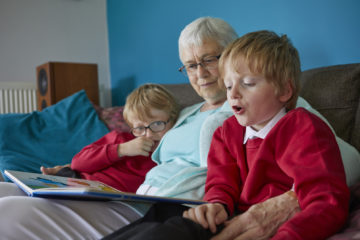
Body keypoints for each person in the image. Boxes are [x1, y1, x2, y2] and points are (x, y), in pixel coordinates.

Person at [0, 17, 358, 240]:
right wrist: (74, 173)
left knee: (10, 215)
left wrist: (293, 198)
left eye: (208, 60)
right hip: (138, 197)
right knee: (7, 193)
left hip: (166, 206)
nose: (200, 73)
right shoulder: (183, 114)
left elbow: (340, 164)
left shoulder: (283, 113)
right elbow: (142, 152)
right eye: (189, 65)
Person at [104, 30, 350, 240]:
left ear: (285, 89)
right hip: (226, 219)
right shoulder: (226, 132)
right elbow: (221, 183)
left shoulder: (302, 126)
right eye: (230, 85)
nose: (233, 95)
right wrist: (216, 205)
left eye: (248, 83)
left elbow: (326, 200)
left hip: (271, 228)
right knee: (158, 226)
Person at [39, 83, 179, 193]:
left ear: (173, 120)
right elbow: (77, 163)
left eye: (157, 124)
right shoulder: (121, 139)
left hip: (102, 197)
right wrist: (121, 149)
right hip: (77, 180)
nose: (148, 134)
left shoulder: (169, 158)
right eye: (140, 128)